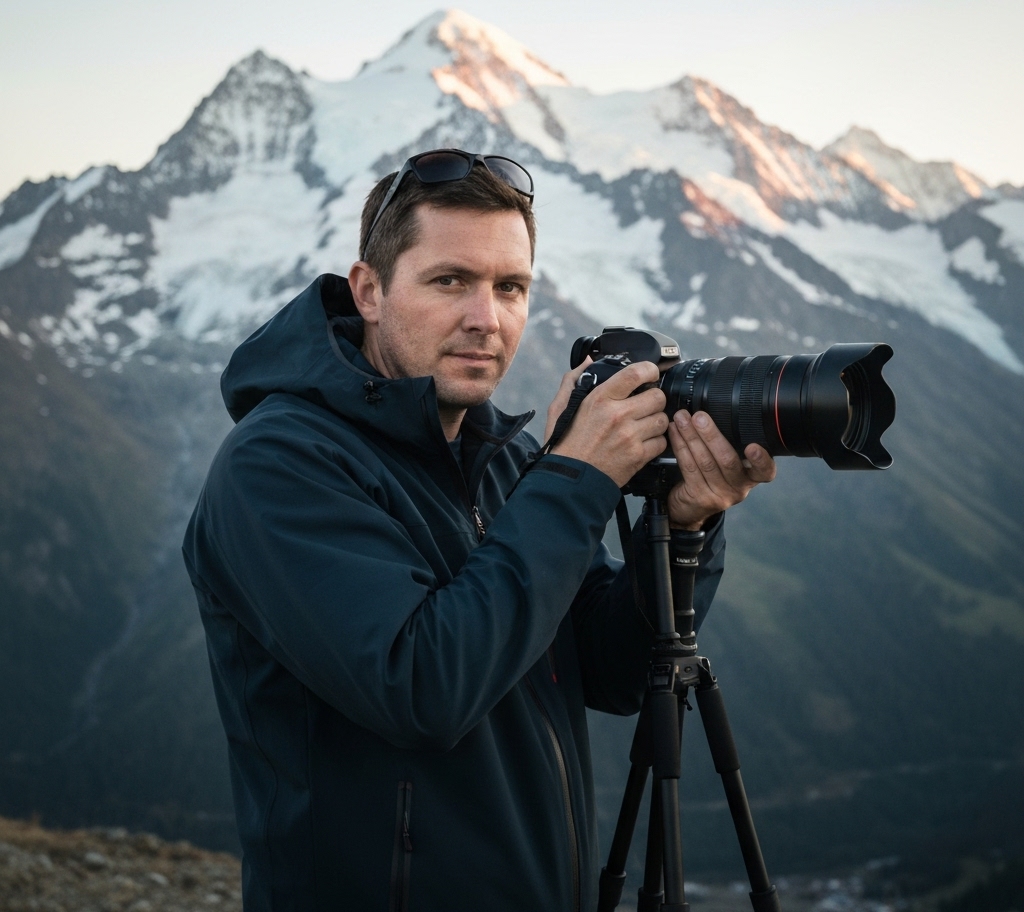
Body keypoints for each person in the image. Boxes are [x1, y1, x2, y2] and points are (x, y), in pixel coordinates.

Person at [183, 149, 776, 912]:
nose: (485, 319)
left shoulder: (504, 455)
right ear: (369, 290)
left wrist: (687, 526)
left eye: (510, 287)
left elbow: (611, 668)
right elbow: (421, 685)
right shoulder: (278, 465)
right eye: (449, 281)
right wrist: (578, 478)